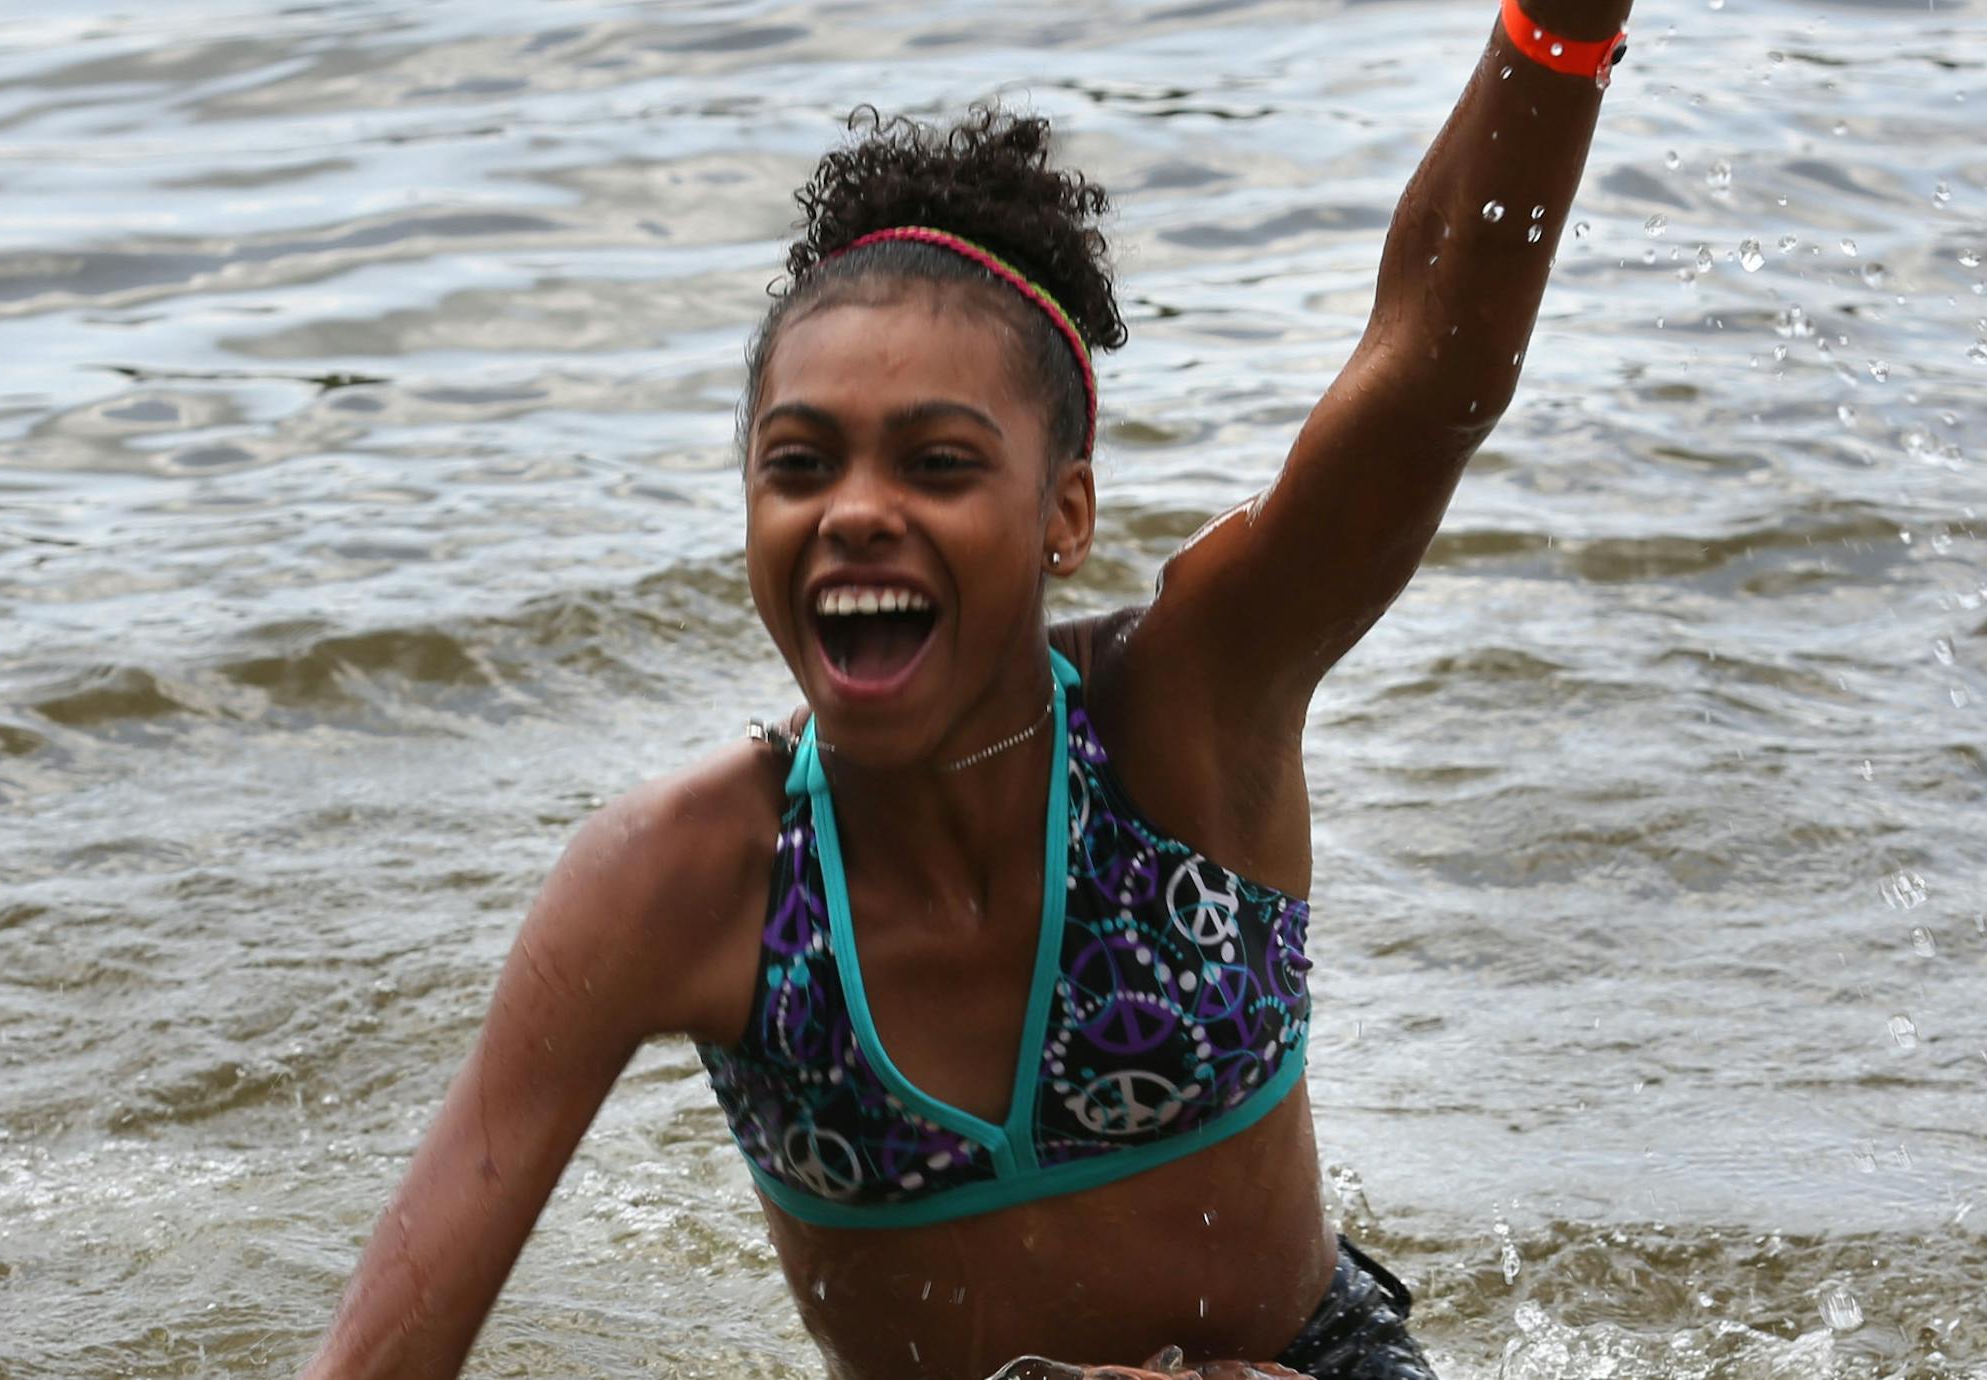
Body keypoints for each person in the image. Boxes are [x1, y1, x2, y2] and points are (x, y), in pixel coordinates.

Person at [304, 0, 1633, 1374]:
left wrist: (1560, 31)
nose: (854, 513)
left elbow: (1429, 369)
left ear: (1065, 513)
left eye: (937, 464)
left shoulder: (1191, 713)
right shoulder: (683, 883)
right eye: (799, 464)